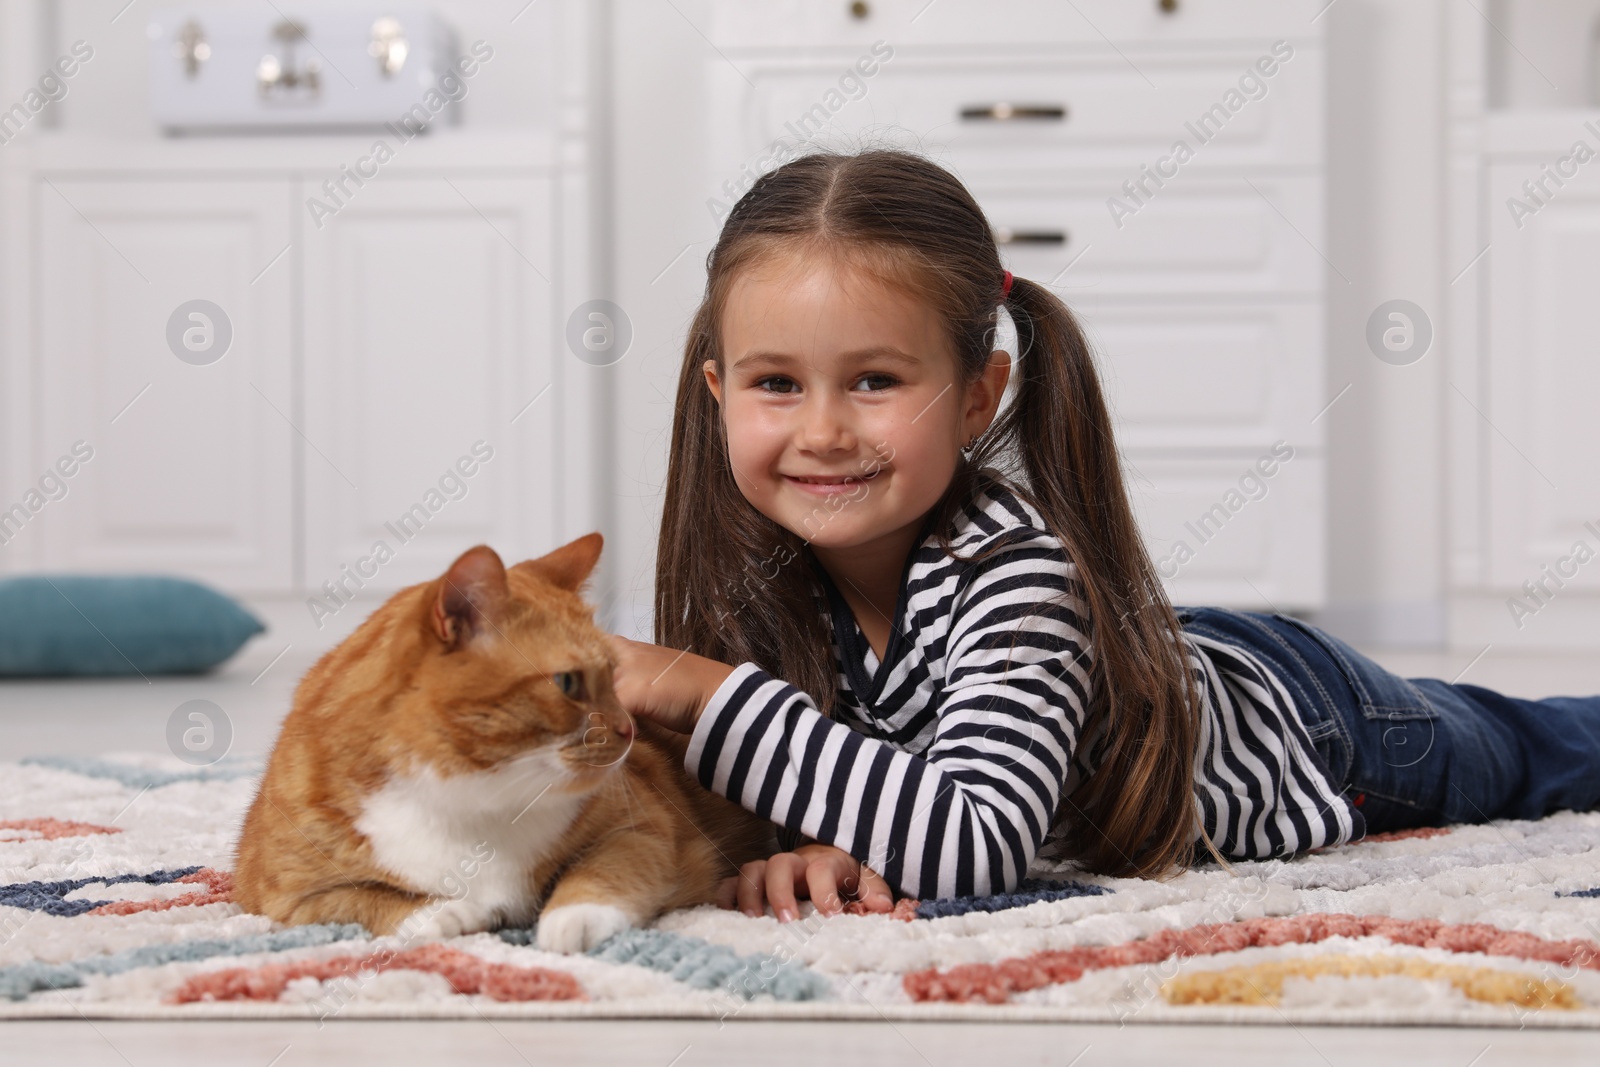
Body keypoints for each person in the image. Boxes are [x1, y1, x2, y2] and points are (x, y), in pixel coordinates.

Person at [605, 148, 1600, 924]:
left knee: (1533, 750)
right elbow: (814, 779)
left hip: (1308, 723)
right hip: (1114, 660)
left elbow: (969, 843)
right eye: (776, 382)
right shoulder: (748, 575)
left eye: (874, 380)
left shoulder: (1010, 568)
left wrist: (697, 689)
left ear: (975, 398)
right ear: (719, 394)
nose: (821, 430)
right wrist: (805, 847)